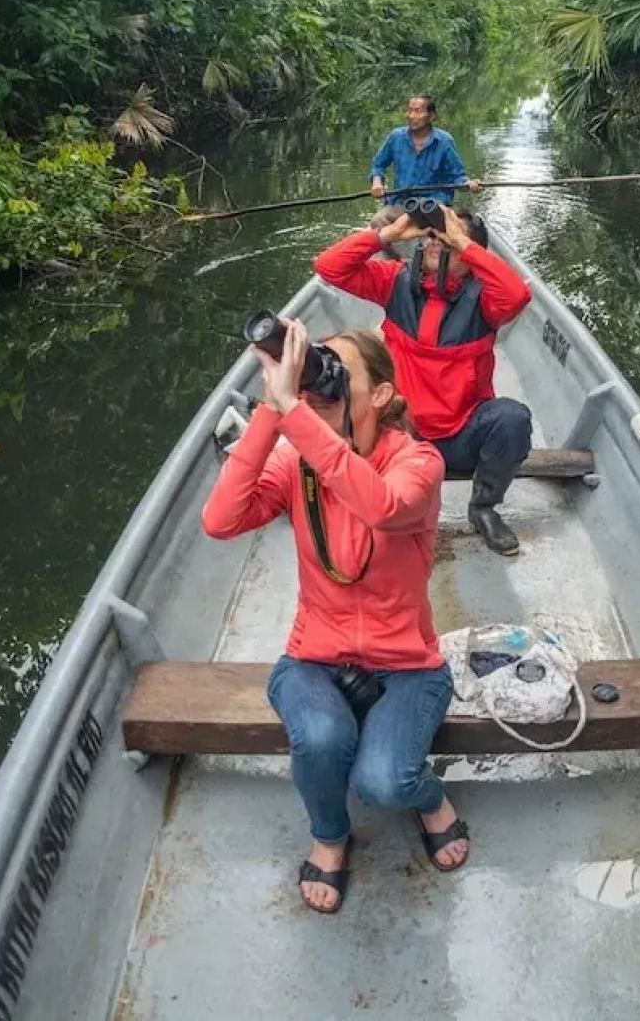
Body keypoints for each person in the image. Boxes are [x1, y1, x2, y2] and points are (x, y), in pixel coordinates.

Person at [201, 322, 469, 915]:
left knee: (385, 782)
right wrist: (272, 411)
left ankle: (429, 797)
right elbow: (219, 521)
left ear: (381, 394)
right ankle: (329, 835)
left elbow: (383, 505)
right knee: (322, 738)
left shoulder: (418, 462)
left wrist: (296, 414)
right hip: (314, 659)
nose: (321, 385)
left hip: (407, 664)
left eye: (336, 373)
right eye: (316, 371)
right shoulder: (296, 459)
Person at [313, 205, 533, 556]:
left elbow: (517, 295)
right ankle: (366, 499)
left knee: (512, 419)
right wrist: (387, 235)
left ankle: (483, 508)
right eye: (434, 235)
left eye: (449, 238)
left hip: (461, 434)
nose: (438, 242)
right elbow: (329, 267)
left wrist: (461, 242)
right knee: (349, 400)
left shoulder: (486, 300)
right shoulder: (394, 281)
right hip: (401, 432)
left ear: (472, 255)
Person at [368, 95, 482, 220]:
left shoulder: (444, 141)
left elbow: (457, 176)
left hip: (434, 204)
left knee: (436, 221)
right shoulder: (396, 137)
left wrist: (468, 184)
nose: (411, 116)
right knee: (378, 220)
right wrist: (377, 183)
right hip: (402, 202)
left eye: (418, 111)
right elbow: (378, 165)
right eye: (409, 110)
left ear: (431, 116)